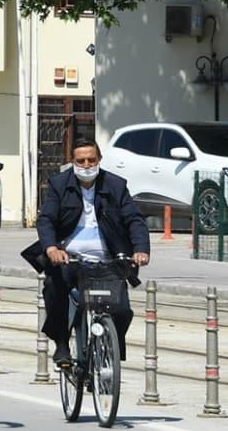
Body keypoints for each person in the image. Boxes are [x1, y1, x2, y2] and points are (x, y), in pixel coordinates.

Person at [22, 138, 150, 368]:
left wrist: (140, 249)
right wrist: (52, 248)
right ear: (72, 162)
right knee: (54, 288)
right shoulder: (59, 184)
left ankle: (108, 351)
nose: (87, 165)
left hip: (108, 258)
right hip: (69, 259)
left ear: (99, 160)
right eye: (81, 161)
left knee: (122, 310)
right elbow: (47, 219)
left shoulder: (116, 185)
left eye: (92, 160)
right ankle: (61, 343)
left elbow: (135, 220)